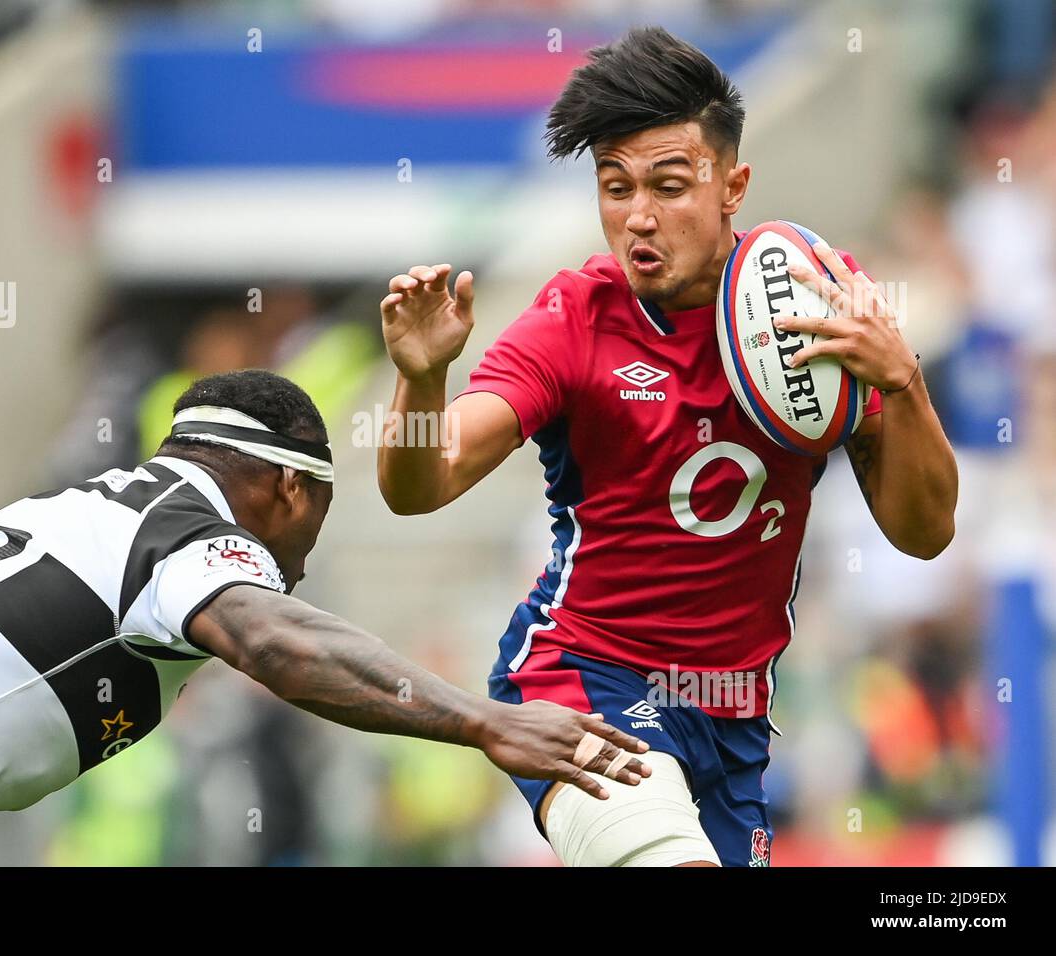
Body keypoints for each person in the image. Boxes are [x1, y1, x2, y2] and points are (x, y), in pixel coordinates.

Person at [376, 27, 958, 867]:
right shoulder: (573, 321)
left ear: (733, 185)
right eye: (615, 188)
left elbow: (926, 531)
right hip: (583, 682)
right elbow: (421, 483)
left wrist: (902, 383)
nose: (638, 217)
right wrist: (422, 382)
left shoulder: (816, 303)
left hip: (733, 716)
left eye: (669, 185)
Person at [0, 369, 650, 865]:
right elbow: (274, 642)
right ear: (290, 487)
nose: (294, 567)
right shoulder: (192, 535)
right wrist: (485, 719)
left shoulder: (83, 507)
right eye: (317, 514)